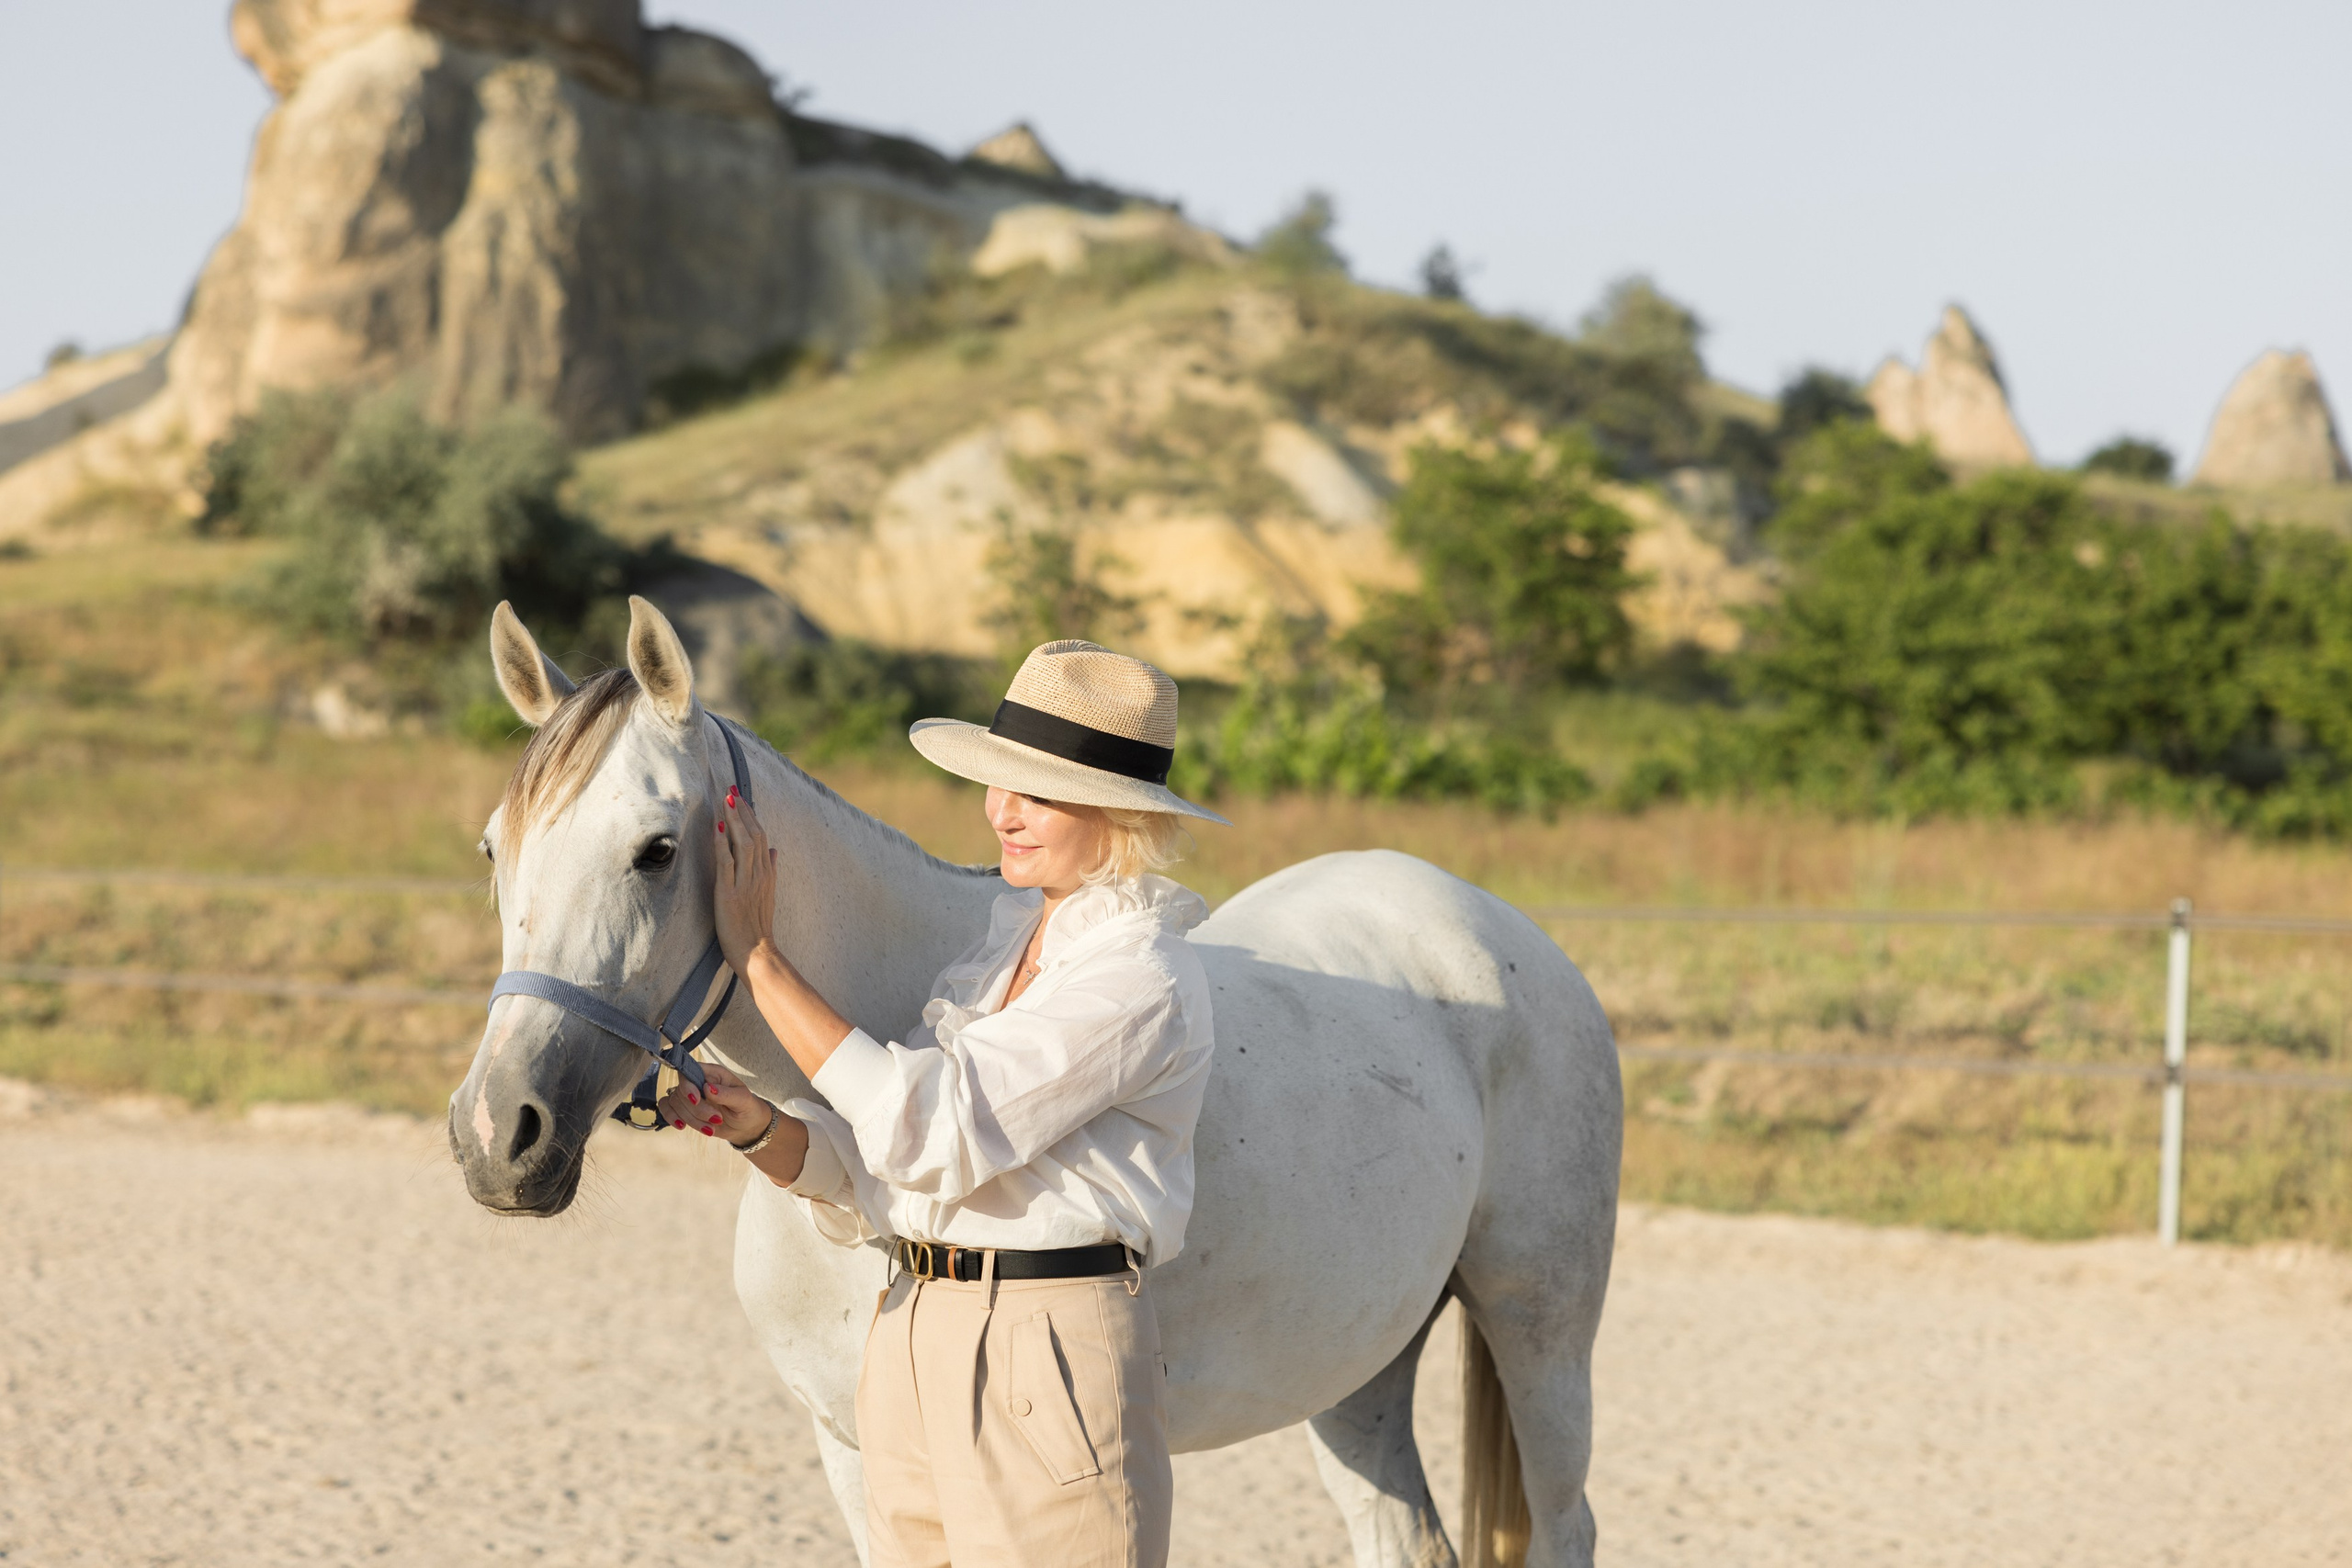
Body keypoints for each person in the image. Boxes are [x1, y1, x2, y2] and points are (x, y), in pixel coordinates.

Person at [671, 639, 1227, 1568]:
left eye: (1035, 793)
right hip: (911, 1327)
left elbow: (937, 1131)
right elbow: (889, 1166)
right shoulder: (1003, 953)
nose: (998, 812)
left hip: (1044, 1350)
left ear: (1117, 812)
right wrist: (764, 1131)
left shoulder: (1141, 977)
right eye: (997, 783)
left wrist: (761, 963)